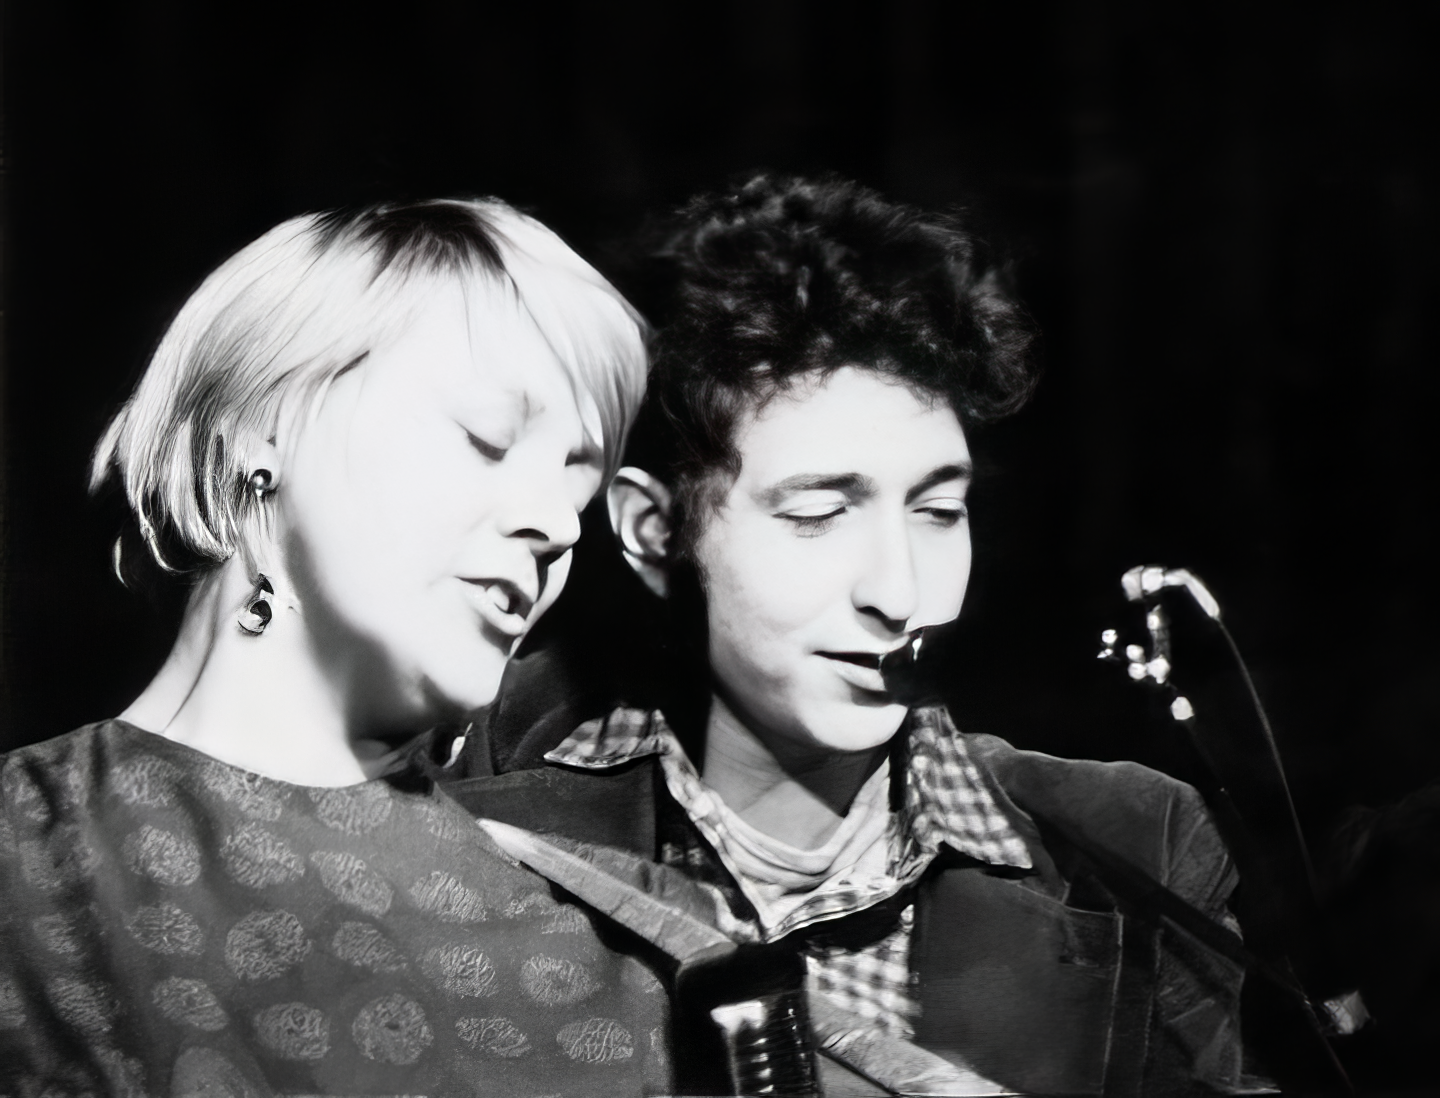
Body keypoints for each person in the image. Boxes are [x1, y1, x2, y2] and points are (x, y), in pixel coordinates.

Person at [447, 175, 1248, 1096]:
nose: (898, 591)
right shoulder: (452, 809)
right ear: (653, 532)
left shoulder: (1135, 849)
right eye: (821, 514)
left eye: (939, 511)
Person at [0, 199, 672, 1097]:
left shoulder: (625, 949)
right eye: (488, 441)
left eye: (574, 487)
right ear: (260, 431)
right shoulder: (23, 857)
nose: (553, 523)